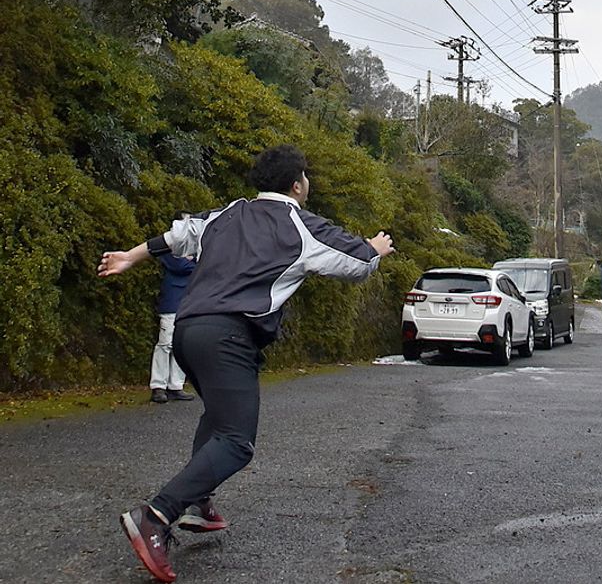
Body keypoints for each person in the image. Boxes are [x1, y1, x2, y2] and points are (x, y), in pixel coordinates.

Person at [98, 144, 394, 583]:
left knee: (219, 419)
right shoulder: (301, 224)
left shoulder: (227, 214)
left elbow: (180, 235)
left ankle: (199, 504)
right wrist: (374, 248)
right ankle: (156, 516)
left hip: (188, 329)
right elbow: (355, 263)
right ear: (297, 184)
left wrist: (131, 255)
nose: (308, 183)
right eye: (306, 177)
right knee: (237, 441)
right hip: (229, 335)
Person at [149, 247, 195, 404]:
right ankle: (158, 386)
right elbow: (179, 266)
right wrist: (194, 261)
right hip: (172, 303)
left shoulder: (197, 245)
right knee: (165, 344)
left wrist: (192, 259)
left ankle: (176, 386)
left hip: (189, 303)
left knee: (181, 345)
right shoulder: (171, 245)